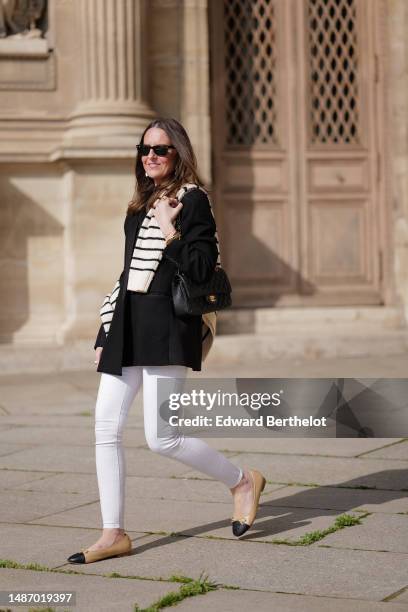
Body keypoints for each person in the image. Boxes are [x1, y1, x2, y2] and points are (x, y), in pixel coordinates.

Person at [67, 117, 266, 564]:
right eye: (144, 149)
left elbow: (200, 270)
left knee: (163, 438)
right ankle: (113, 532)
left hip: (169, 325)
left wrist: (170, 229)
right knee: (104, 427)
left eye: (161, 149)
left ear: (179, 153)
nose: (150, 157)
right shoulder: (139, 204)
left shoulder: (193, 201)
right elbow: (127, 274)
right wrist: (106, 328)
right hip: (129, 324)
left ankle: (242, 481)